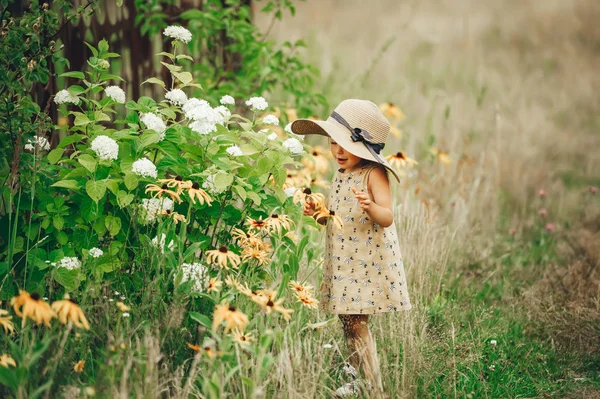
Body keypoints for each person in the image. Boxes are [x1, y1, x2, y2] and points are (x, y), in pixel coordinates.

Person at [291, 99, 412, 397]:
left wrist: (371, 207)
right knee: (347, 320)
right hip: (345, 259)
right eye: (333, 143)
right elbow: (337, 217)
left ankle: (374, 387)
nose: (338, 151)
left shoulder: (373, 174)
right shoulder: (342, 173)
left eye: (346, 145)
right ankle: (358, 374)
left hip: (367, 261)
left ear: (364, 148)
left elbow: (387, 217)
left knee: (357, 323)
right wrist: (319, 213)